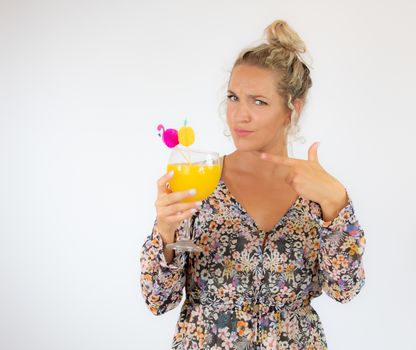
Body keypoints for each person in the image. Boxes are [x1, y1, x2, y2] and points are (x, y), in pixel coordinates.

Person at [140, 19, 366, 349]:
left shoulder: (316, 191)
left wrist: (338, 205)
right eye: (233, 97)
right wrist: (165, 230)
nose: (239, 115)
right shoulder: (200, 181)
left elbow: (345, 290)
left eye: (258, 102)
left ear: (292, 110)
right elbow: (158, 299)